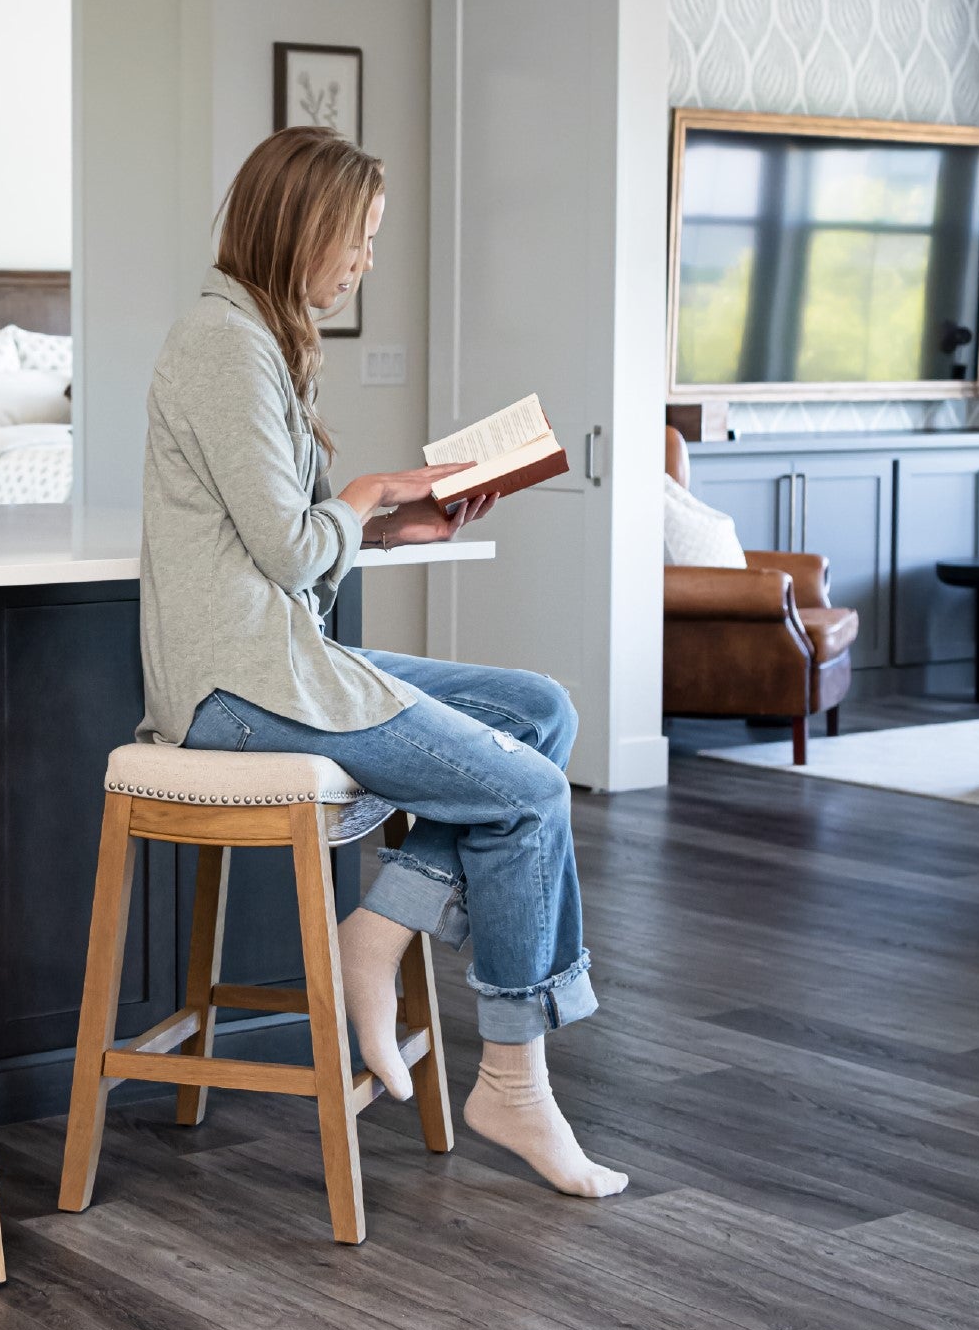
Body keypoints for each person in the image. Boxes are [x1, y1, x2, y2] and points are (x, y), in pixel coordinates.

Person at [136, 126, 625, 1199]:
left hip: (280, 660)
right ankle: (512, 1078)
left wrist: (401, 525)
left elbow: (286, 544)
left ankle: (382, 924)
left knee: (536, 709)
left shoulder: (260, 339)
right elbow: (291, 546)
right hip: (236, 691)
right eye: (357, 237)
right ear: (302, 229)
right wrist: (364, 502)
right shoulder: (223, 346)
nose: (364, 260)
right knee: (530, 789)